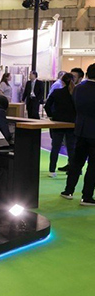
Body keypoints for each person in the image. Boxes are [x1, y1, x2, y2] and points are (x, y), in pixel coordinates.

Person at [61, 63, 95, 206]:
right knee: (93, 166)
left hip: (80, 130)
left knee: (76, 163)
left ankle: (68, 191)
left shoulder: (78, 89)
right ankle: (87, 196)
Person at [44, 73, 76, 177]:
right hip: (72, 123)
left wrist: (51, 116)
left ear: (62, 81)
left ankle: (52, 170)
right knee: (71, 148)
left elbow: (47, 105)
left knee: (55, 147)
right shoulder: (75, 93)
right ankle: (73, 170)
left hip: (58, 123)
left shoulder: (57, 92)